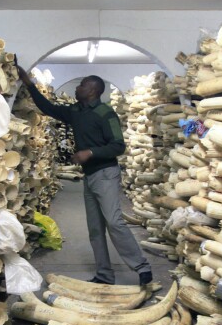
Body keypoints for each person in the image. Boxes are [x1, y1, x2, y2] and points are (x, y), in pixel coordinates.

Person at [16, 64, 152, 286]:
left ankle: (141, 267)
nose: (77, 88)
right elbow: (48, 108)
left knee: (114, 222)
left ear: (93, 90)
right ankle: (104, 274)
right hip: (90, 176)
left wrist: (90, 152)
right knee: (95, 228)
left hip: (106, 173)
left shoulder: (106, 114)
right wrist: (28, 84)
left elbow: (118, 146)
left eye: (81, 85)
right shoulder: (76, 111)